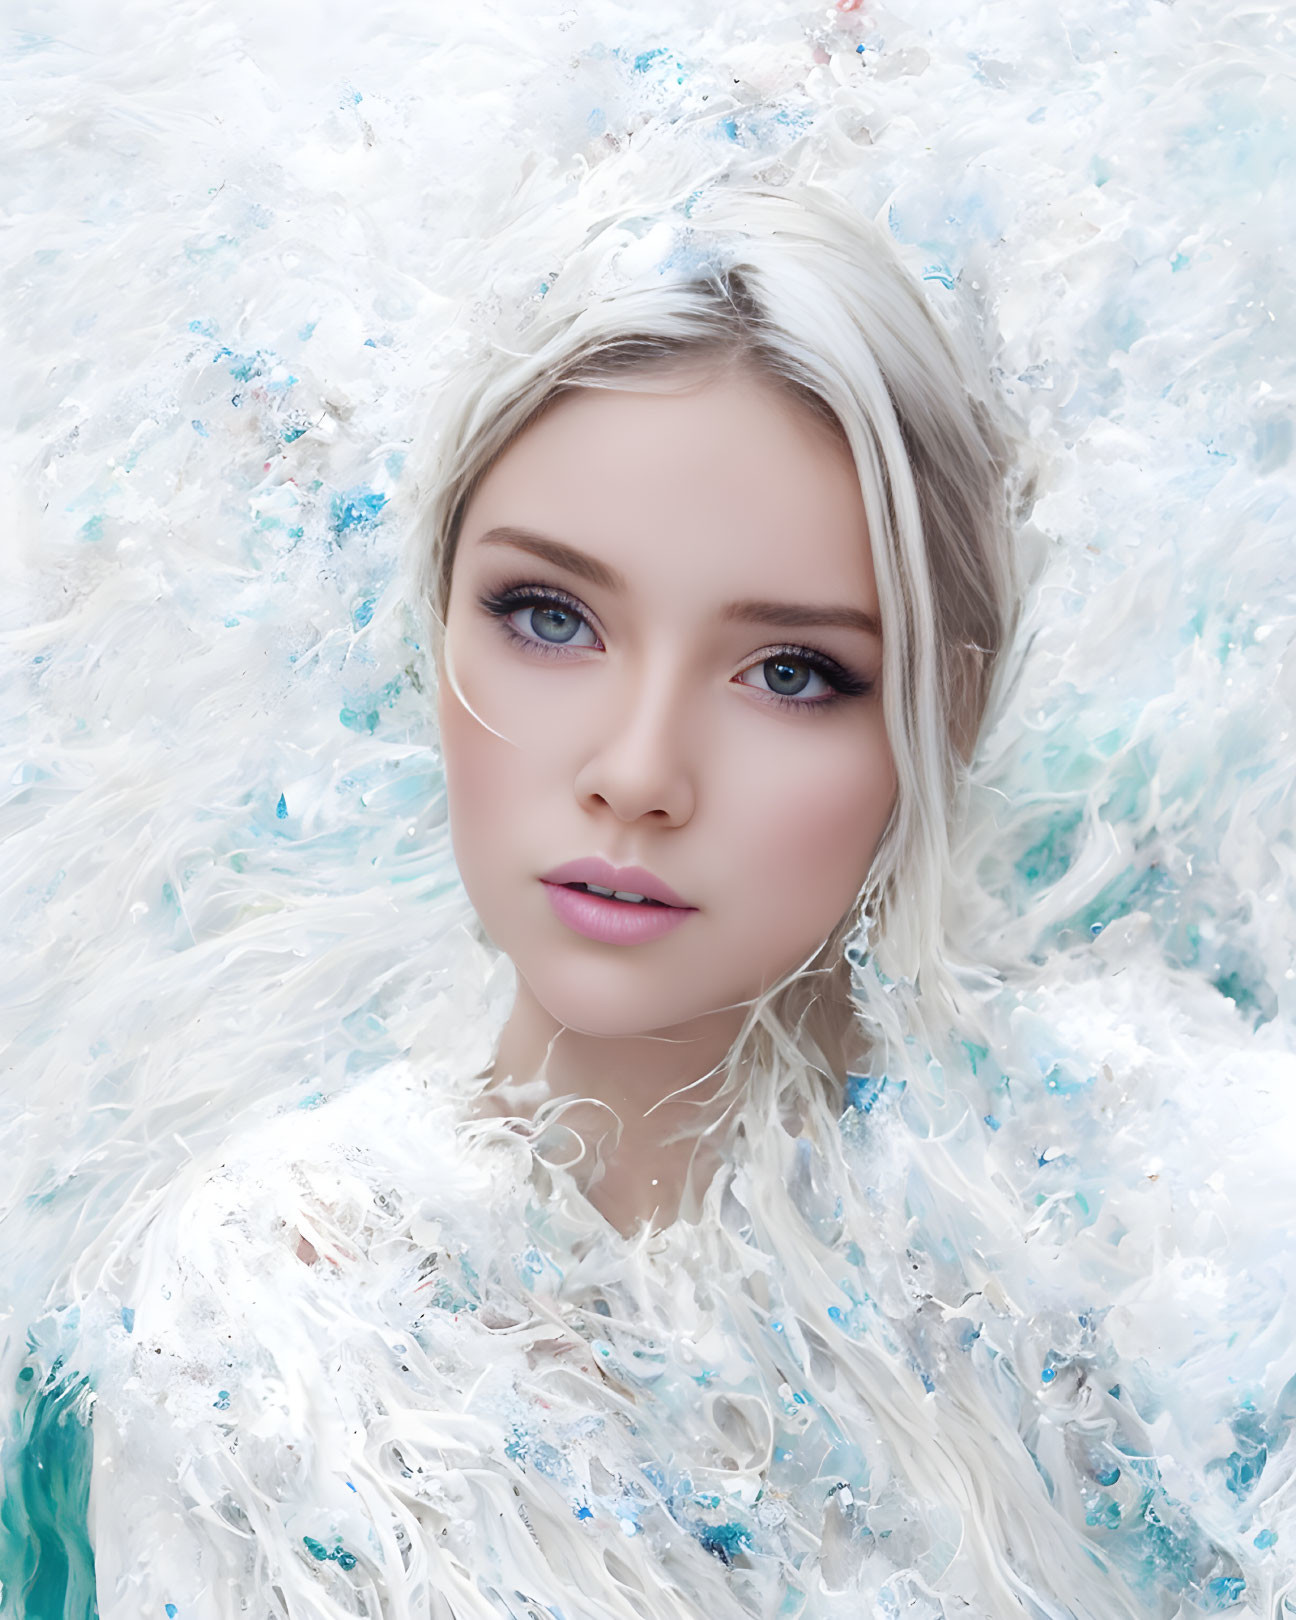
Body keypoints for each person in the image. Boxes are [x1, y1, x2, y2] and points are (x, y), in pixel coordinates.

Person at [3, 172, 1225, 1620]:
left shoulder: (1132, 1213)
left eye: (792, 672)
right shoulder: (272, 1294)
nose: (640, 774)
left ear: (936, 726)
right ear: (433, 621)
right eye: (548, 617)